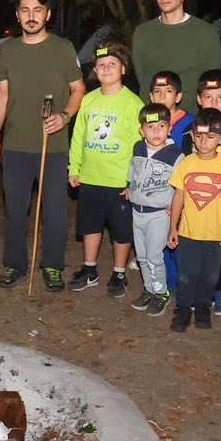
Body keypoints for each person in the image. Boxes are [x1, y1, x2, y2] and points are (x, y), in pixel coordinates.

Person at [0, 0, 85, 291]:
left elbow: (78, 89)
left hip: (53, 145)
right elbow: (3, 95)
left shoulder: (63, 48)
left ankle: (53, 266)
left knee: (55, 210)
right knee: (15, 209)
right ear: (17, 15)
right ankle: (14, 264)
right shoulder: (8, 50)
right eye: (24, 10)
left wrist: (65, 117)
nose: (31, 15)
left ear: (47, 14)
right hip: (16, 144)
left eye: (37, 10)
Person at [64, 43, 141, 296]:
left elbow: (139, 146)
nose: (106, 68)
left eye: (112, 64)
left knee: (121, 230)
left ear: (123, 68)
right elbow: (78, 137)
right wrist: (74, 168)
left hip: (119, 180)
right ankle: (89, 269)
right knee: (90, 225)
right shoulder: (88, 100)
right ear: (95, 71)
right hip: (90, 177)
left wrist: (132, 180)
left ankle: (119, 272)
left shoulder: (133, 103)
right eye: (101, 65)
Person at [166, 109, 221, 332]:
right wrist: (173, 227)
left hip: (215, 234)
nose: (204, 142)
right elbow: (178, 196)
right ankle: (183, 310)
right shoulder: (185, 164)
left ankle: (203, 308)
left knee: (209, 276)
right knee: (186, 274)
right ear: (192, 136)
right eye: (199, 136)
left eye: (211, 137)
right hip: (188, 233)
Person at [130, 0, 221, 98]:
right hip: (153, 115)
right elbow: (142, 77)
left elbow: (211, 81)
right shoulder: (142, 32)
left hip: (191, 115)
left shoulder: (205, 32)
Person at [126, 104, 181, 315]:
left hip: (158, 214)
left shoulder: (175, 155)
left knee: (154, 256)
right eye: (150, 126)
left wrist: (175, 207)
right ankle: (150, 289)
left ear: (169, 129)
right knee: (141, 256)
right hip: (137, 211)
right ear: (142, 131)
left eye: (161, 126)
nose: (156, 131)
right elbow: (133, 170)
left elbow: (180, 188)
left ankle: (161, 292)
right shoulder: (138, 148)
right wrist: (128, 187)